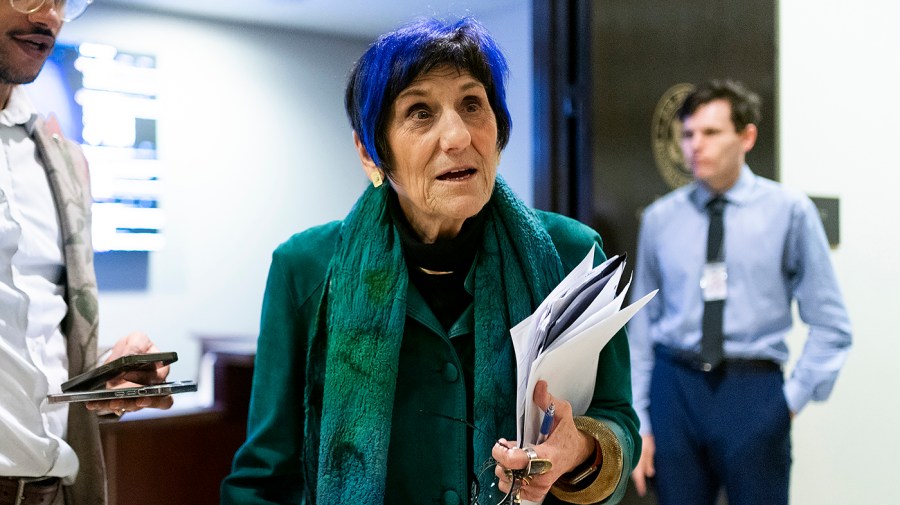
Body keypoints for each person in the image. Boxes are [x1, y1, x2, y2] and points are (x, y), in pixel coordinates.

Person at [221, 16, 639, 505]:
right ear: (370, 152)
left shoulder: (571, 254)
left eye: (472, 104)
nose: (458, 135)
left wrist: (581, 448)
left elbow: (617, 419)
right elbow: (262, 477)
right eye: (419, 112)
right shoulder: (307, 269)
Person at [627, 79, 852, 505]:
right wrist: (640, 420)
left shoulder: (789, 212)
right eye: (688, 134)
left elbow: (832, 325)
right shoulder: (660, 219)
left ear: (746, 137)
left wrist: (788, 402)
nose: (696, 145)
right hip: (674, 388)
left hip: (754, 390)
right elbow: (641, 328)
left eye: (710, 133)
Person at [1, 1, 173, 504]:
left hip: (52, 490)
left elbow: (31, 335)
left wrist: (102, 371)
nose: (49, 16)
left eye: (63, 1)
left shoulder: (62, 160)